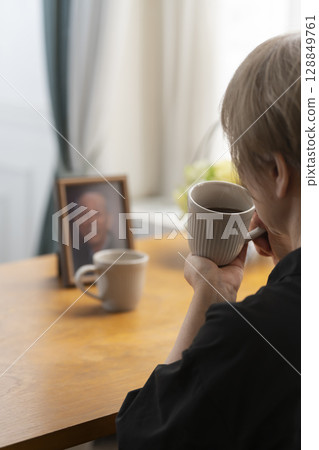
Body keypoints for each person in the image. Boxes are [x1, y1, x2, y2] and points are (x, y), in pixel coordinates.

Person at [116, 33, 301, 449]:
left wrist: (209, 293)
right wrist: (292, 258)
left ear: (277, 172)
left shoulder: (256, 335)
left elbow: (145, 437)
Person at [72, 190, 124, 271]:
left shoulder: (122, 250)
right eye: (84, 215)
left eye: (97, 214)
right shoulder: (72, 257)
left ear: (109, 220)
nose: (91, 221)